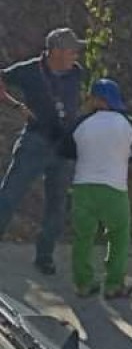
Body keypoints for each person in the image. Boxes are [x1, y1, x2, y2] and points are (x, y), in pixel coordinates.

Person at [0, 28, 85, 275]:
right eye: (72, 49)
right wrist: (17, 106)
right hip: (35, 142)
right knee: (10, 195)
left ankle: (45, 256)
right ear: (55, 51)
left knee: (57, 204)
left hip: (63, 146)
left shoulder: (76, 72)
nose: (75, 54)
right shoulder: (28, 70)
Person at [60, 79, 132, 299]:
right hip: (114, 189)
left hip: (83, 188)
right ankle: (113, 284)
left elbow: (65, 150)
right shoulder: (129, 123)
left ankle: (83, 284)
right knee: (118, 236)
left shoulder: (80, 123)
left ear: (96, 99)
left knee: (83, 238)